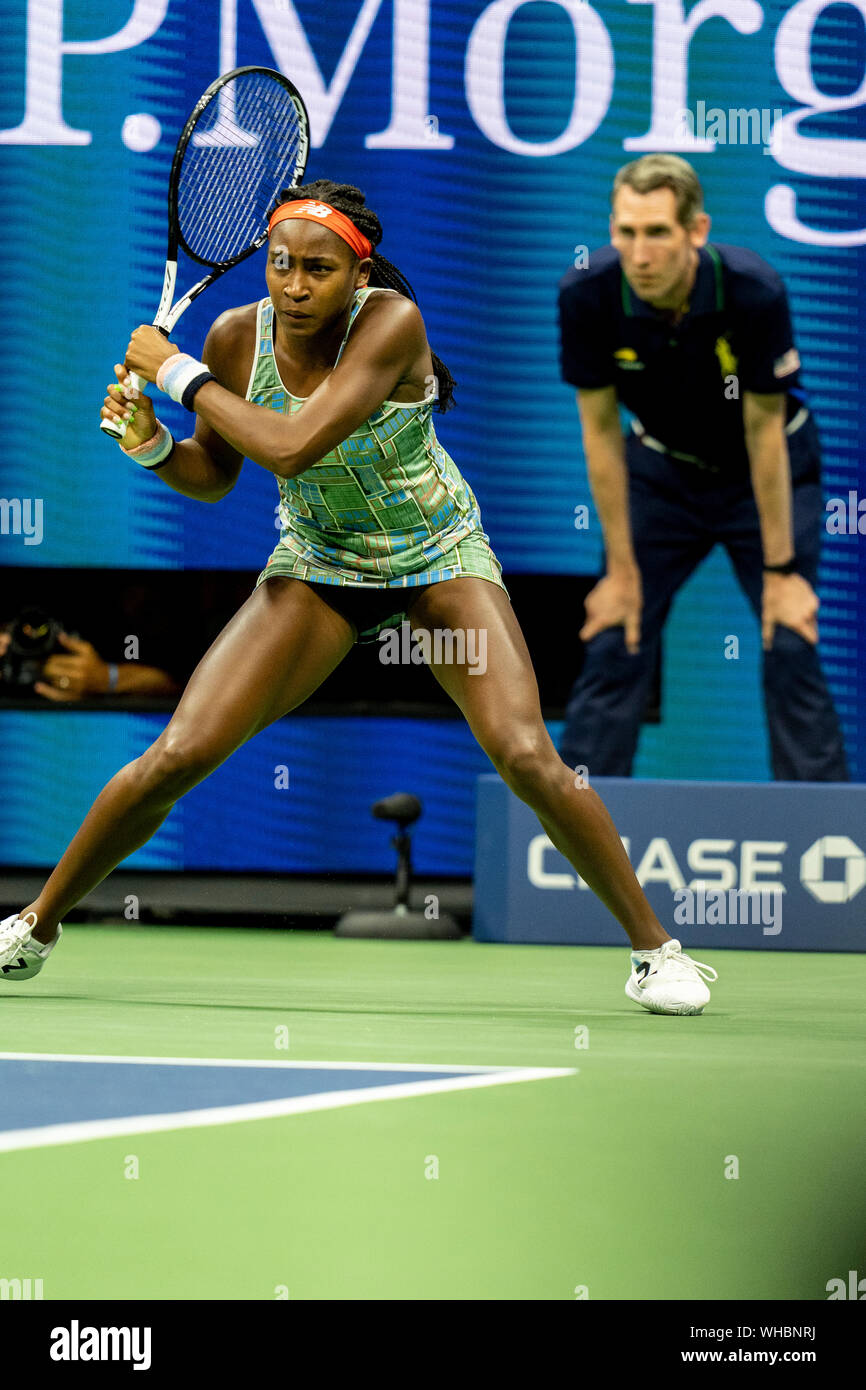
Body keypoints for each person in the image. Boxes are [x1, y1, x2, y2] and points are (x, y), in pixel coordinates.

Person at [0, 180, 717, 1015]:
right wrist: (152, 443)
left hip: (438, 559)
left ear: (358, 274)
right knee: (180, 754)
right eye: (279, 266)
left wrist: (177, 373)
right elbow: (214, 474)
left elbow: (295, 446)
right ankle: (33, 927)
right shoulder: (238, 337)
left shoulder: (391, 325)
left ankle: (656, 952)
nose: (295, 285)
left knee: (525, 753)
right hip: (319, 563)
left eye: (318, 269)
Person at [557, 154, 848, 782]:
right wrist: (623, 570)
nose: (639, 254)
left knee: (789, 638)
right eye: (626, 232)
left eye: (657, 232)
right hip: (662, 474)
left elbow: (764, 431)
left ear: (696, 230)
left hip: (764, 472)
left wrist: (781, 571)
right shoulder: (586, 295)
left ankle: (827, 848)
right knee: (618, 634)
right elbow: (601, 432)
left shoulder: (753, 291)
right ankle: (567, 844)